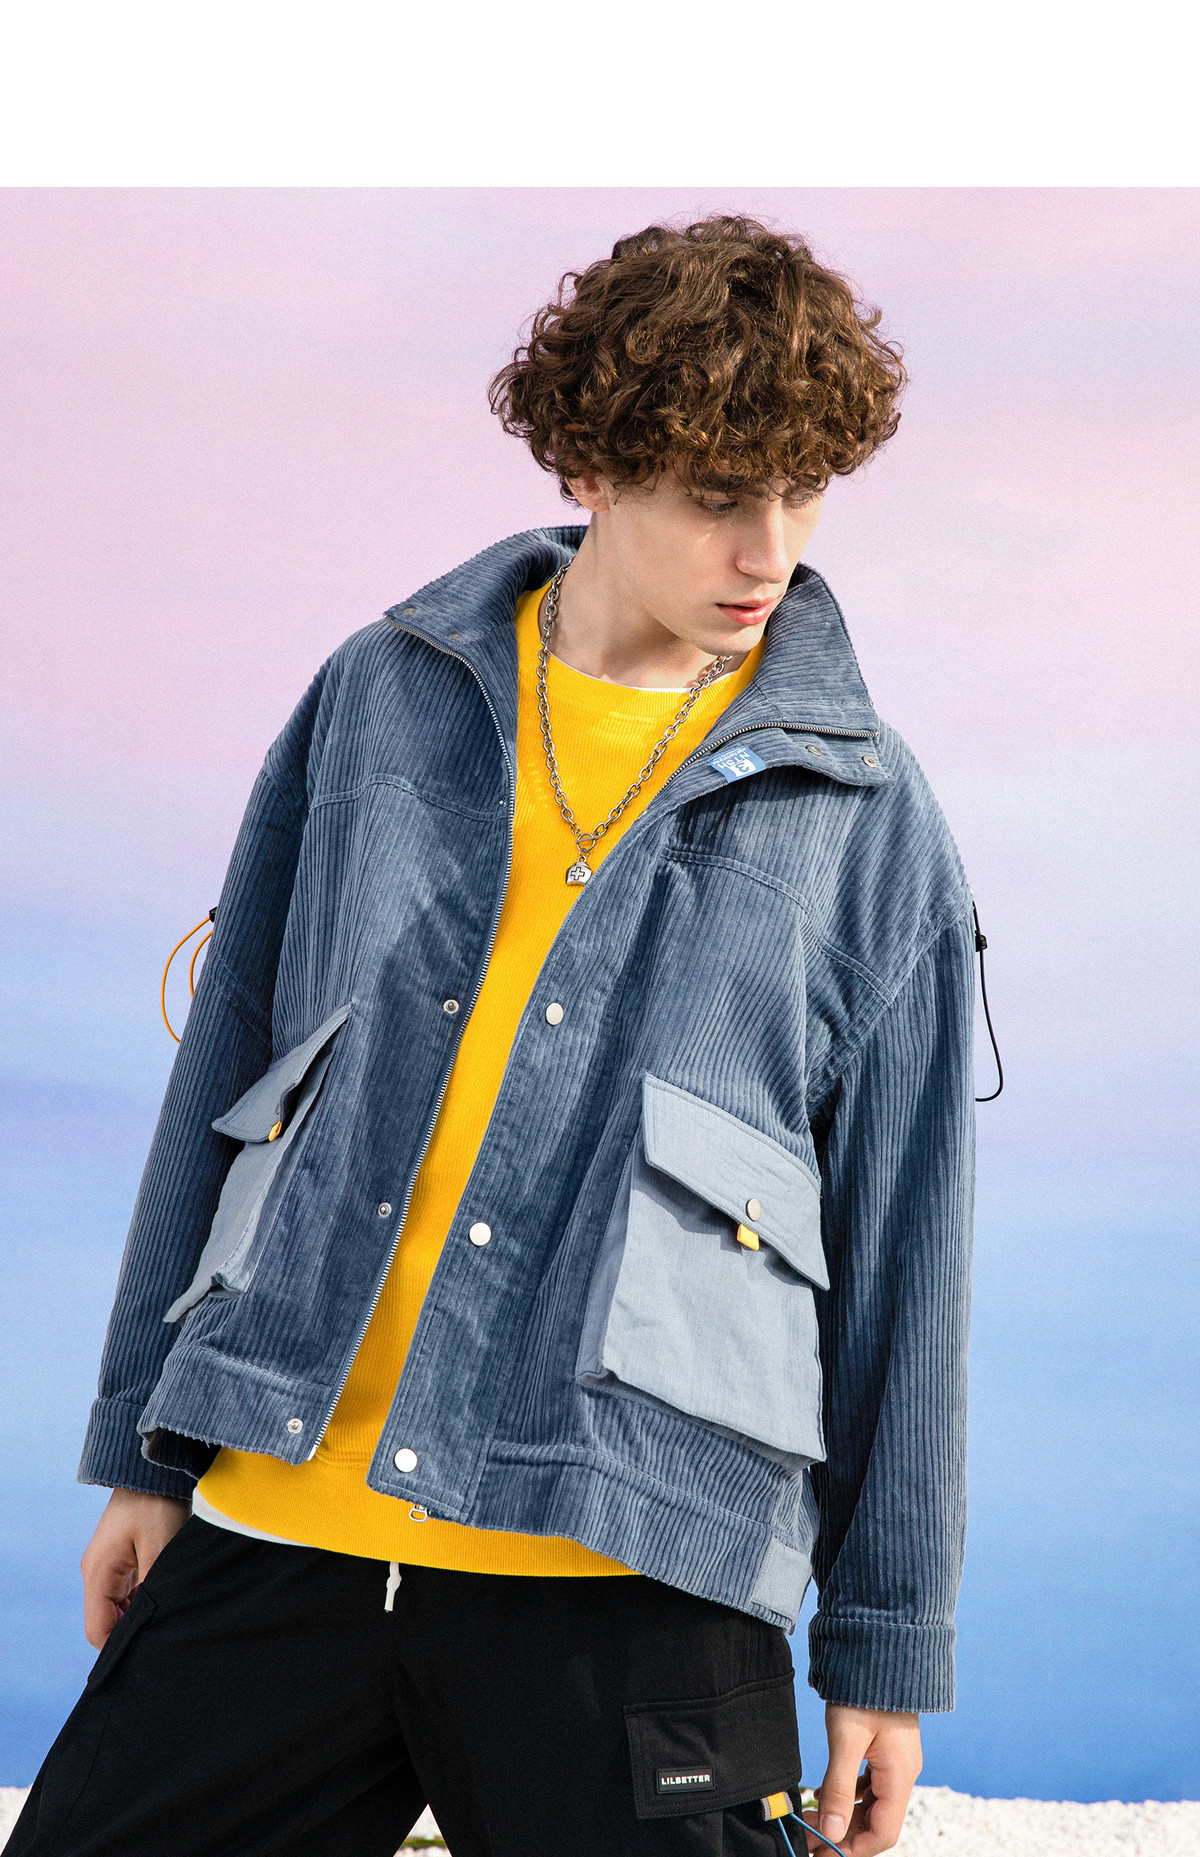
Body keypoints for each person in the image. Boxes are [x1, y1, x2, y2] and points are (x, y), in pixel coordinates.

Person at [12, 215, 975, 1857]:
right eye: (715, 493)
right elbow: (226, 1072)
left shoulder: (865, 812)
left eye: (804, 492)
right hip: (289, 1524)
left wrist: (886, 1648)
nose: (768, 549)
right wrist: (147, 1453)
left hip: (631, 1572)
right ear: (593, 463)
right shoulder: (382, 696)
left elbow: (909, 1242)